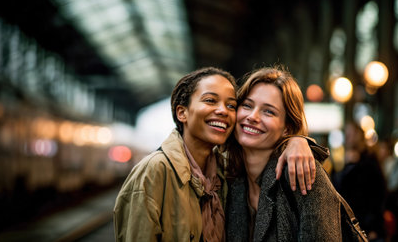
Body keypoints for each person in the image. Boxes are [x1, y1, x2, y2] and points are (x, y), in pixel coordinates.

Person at [114, 67, 317, 241]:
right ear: (182, 113)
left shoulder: (225, 173)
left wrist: (298, 140)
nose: (222, 111)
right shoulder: (154, 172)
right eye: (210, 100)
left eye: (231, 105)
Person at [225, 66, 347, 241]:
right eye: (247, 105)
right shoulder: (229, 177)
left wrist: (300, 139)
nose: (252, 116)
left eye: (268, 111)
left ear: (287, 128)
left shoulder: (304, 174)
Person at [332, 122, 387, 241]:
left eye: (350, 134)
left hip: (366, 226)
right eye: (346, 134)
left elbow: (378, 194)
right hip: (349, 225)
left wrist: (374, 227)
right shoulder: (344, 161)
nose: (347, 138)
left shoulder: (369, 160)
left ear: (358, 136)